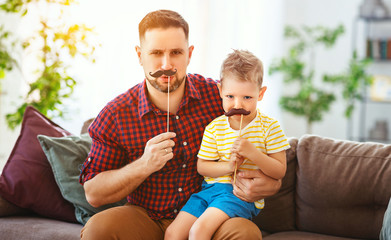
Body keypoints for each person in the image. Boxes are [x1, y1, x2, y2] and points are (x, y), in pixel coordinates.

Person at [79, 9, 282, 240]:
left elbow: (262, 140)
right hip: (145, 216)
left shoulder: (222, 97)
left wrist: (269, 185)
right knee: (98, 229)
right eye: (156, 52)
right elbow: (93, 193)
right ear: (139, 55)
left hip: (209, 213)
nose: (166, 64)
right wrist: (144, 164)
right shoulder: (116, 114)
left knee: (244, 233)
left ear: (189, 54)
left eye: (176, 52)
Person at [164, 50, 290, 240]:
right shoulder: (215, 128)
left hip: (237, 194)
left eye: (247, 98)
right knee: (173, 233)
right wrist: (229, 166)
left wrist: (253, 153)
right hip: (208, 191)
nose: (237, 104)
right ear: (220, 90)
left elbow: (279, 171)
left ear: (261, 93)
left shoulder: (270, 127)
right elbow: (202, 166)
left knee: (198, 231)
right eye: (230, 96)